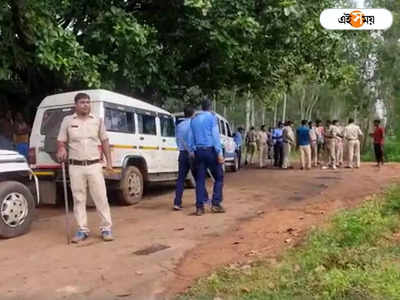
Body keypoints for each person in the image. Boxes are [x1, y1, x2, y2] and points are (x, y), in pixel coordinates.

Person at [57, 92, 114, 243]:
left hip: (95, 165)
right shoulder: (67, 121)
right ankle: (82, 230)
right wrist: (61, 149)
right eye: (82, 102)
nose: (85, 105)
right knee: (78, 198)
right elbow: (61, 140)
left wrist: (109, 163)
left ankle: (106, 228)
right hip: (75, 166)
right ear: (75, 105)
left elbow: (105, 141)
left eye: (88, 102)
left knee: (101, 197)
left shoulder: (97, 121)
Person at [188, 98, 225, 216]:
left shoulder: (193, 120)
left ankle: (199, 208)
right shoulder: (211, 118)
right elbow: (215, 136)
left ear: (202, 107)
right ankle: (215, 204)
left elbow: (190, 138)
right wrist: (219, 153)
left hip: (198, 152)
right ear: (210, 107)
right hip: (210, 151)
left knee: (200, 180)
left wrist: (193, 150)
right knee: (219, 176)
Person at [173, 105, 196, 210]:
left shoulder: (179, 125)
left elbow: (177, 140)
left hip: (182, 153)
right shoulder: (193, 124)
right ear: (192, 114)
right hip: (192, 154)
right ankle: (201, 199)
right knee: (198, 178)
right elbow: (193, 139)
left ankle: (177, 202)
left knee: (181, 179)